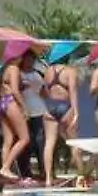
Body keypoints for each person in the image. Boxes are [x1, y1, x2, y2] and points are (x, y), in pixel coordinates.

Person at [37, 56, 77, 186]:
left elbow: (42, 92)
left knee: (49, 143)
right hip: (66, 106)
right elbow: (73, 92)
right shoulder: (70, 71)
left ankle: (48, 178)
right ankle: (80, 174)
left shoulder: (48, 71)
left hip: (50, 107)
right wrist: (75, 112)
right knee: (74, 142)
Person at [0, 53, 35, 183]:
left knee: (8, 140)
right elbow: (14, 90)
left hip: (2, 102)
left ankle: (4, 171)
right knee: (24, 138)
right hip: (11, 102)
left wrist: (22, 85)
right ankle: (6, 167)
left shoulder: (4, 68)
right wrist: (24, 108)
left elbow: (3, 87)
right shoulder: (14, 68)